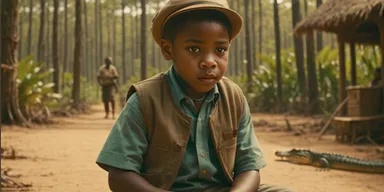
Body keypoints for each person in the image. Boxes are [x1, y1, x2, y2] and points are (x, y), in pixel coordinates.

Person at [96, 0, 295, 191]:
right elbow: (119, 175)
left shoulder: (233, 97)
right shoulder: (145, 100)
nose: (209, 62)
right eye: (194, 49)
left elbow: (250, 168)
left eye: (220, 50)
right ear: (168, 50)